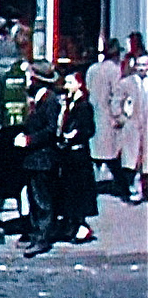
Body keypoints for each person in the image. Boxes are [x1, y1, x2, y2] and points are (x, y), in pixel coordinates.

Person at [14, 60, 62, 257]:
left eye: (30, 77)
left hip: (43, 158)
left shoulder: (50, 101)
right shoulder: (38, 99)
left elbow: (51, 130)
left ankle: (42, 238)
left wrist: (29, 140)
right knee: (33, 198)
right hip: (33, 159)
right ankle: (35, 234)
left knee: (42, 200)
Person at [57, 70, 98, 243]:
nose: (66, 86)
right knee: (70, 193)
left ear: (79, 84)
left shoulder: (84, 106)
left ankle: (80, 227)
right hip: (69, 157)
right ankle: (73, 226)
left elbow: (89, 129)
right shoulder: (69, 103)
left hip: (79, 157)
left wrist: (75, 134)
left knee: (78, 192)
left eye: (69, 82)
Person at [86, 39, 123, 184]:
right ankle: (122, 186)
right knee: (111, 155)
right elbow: (116, 95)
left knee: (96, 152)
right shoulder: (114, 70)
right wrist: (118, 116)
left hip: (93, 114)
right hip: (107, 117)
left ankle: (95, 181)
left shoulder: (92, 69)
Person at [113, 54, 148, 203]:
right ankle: (134, 189)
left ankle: (143, 189)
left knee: (145, 161)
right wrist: (122, 119)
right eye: (139, 65)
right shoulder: (126, 83)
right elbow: (116, 103)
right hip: (132, 128)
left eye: (144, 65)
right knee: (132, 162)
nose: (141, 68)